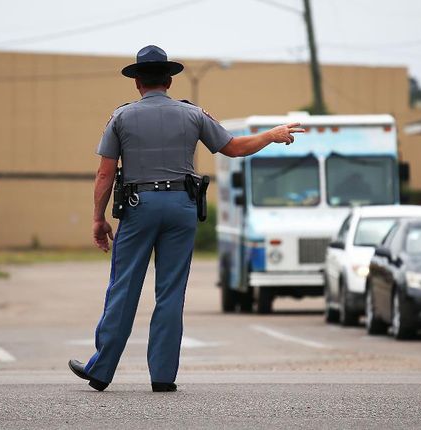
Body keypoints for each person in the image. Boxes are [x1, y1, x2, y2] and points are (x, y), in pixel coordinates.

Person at [68, 45, 305, 392]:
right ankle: (163, 376)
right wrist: (271, 134)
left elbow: (105, 175)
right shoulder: (192, 115)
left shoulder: (121, 118)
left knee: (124, 286)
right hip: (181, 206)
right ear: (169, 80)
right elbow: (234, 148)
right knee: (171, 291)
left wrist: (97, 218)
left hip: (138, 206)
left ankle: (101, 371)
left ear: (137, 84)